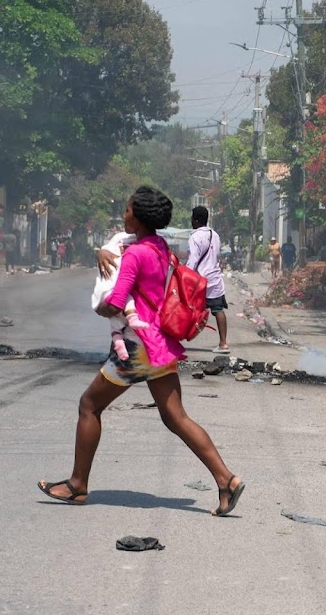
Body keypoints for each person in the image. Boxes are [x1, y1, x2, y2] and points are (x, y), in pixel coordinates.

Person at [38, 186, 244, 516]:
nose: (123, 214)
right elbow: (117, 248)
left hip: (136, 348)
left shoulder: (135, 254)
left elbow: (117, 301)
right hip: (159, 343)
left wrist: (100, 307)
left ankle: (78, 485)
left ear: (140, 216)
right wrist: (98, 252)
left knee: (89, 406)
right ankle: (226, 480)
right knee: (176, 417)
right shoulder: (158, 247)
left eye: (128, 210)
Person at [90, 231, 149, 362]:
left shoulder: (141, 250)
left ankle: (117, 353)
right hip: (124, 306)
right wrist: (103, 252)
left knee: (116, 327)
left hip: (131, 311)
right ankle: (116, 355)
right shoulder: (124, 251)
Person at [187, 206, 229, 354]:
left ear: (196, 220)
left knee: (186, 308)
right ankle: (223, 344)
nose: (191, 221)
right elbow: (216, 255)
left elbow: (193, 259)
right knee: (218, 310)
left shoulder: (195, 237)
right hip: (215, 278)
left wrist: (186, 275)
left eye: (192, 218)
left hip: (200, 280)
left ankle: (176, 339)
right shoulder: (215, 235)